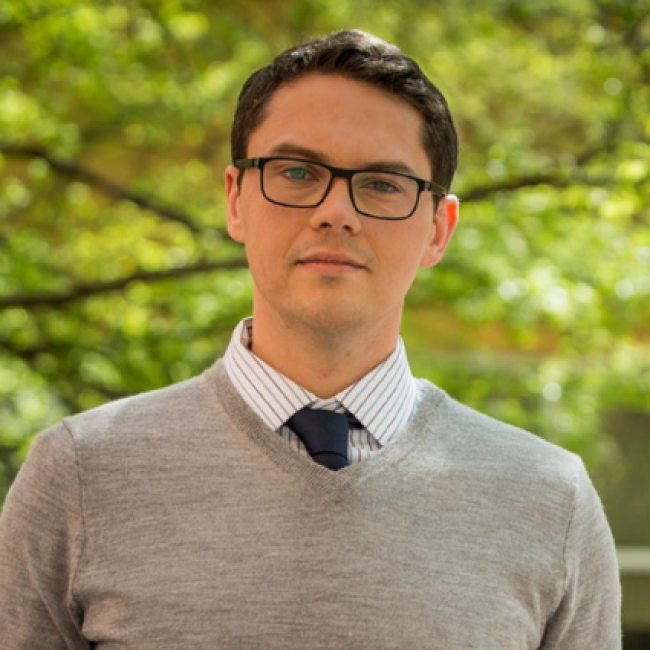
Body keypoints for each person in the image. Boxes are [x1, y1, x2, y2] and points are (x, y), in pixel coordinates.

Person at [0, 29, 621, 649]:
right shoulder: (80, 475)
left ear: (439, 229)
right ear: (235, 200)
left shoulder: (548, 498)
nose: (335, 211)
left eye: (381, 183)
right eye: (296, 171)